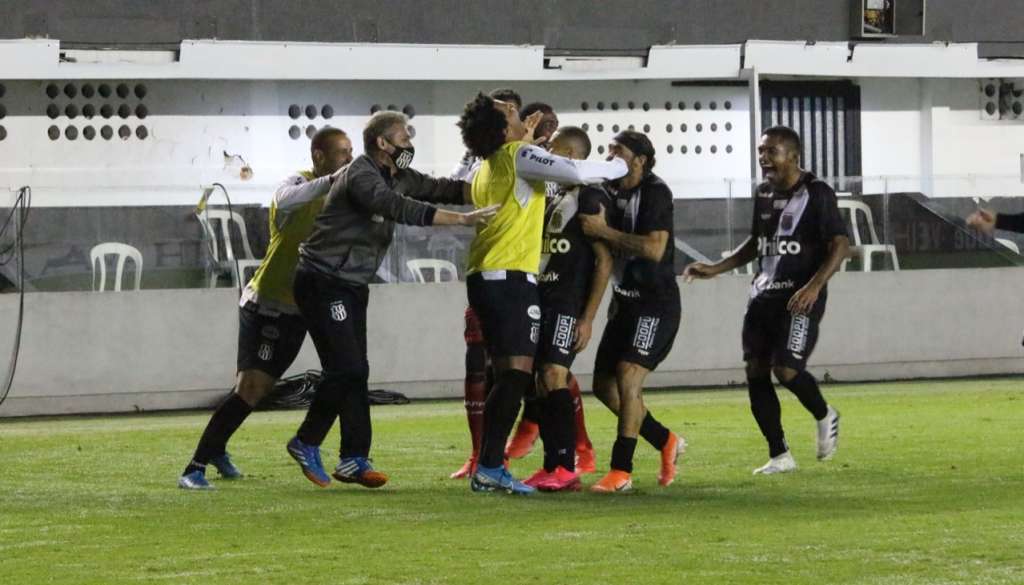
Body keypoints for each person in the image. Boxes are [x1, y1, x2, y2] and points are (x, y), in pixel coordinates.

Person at [285, 111, 496, 489]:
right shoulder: (361, 173)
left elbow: (445, 188)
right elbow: (397, 207)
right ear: (382, 143)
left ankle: (353, 459)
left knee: (356, 370)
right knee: (347, 368)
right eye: (403, 138)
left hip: (350, 283)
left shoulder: (400, 175)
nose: (409, 144)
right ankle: (306, 441)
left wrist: (497, 186)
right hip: (323, 280)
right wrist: (462, 220)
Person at [457, 92, 627, 494]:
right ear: (504, 128)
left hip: (489, 277)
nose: (521, 114)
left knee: (511, 376)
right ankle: (494, 465)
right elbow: (575, 170)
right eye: (511, 112)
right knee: (516, 376)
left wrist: (525, 138)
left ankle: (494, 464)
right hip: (508, 279)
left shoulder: (490, 163)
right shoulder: (518, 155)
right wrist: (620, 164)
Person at [178, 127, 353, 490]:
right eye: (342, 153)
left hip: (305, 306)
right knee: (252, 387)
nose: (348, 160)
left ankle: (222, 449)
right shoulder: (299, 183)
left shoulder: (345, 195)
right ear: (319, 157)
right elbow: (285, 198)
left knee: (338, 371)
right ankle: (194, 467)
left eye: (351, 153)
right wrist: (332, 181)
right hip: (270, 304)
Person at [684, 125, 847, 475]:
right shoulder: (763, 193)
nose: (763, 158)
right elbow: (757, 242)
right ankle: (779, 455)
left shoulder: (817, 192)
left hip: (799, 299)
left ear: (793, 155)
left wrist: (815, 286)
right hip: (762, 297)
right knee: (756, 372)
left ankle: (825, 414)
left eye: (771, 151)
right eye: (761, 151)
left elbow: (840, 244)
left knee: (786, 369)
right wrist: (716, 268)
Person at [579, 131, 685, 493]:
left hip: (655, 304)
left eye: (618, 150)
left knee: (628, 375)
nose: (610, 155)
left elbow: (654, 249)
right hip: (623, 302)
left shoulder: (656, 192)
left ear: (639, 160)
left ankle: (621, 470)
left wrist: (603, 231)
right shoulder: (607, 189)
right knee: (603, 386)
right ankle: (666, 440)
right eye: (608, 149)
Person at [520, 126, 611, 492]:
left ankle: (565, 466)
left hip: (566, 303)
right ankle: (552, 465)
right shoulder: (553, 194)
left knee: (554, 374)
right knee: (541, 381)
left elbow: (604, 260)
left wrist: (587, 318)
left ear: (570, 156)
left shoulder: (590, 196)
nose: (548, 158)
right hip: (541, 297)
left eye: (554, 152)